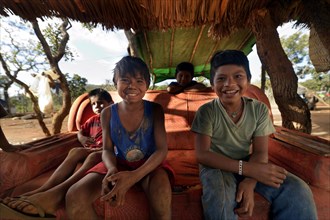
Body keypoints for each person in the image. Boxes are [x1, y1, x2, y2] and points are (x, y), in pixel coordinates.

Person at [191, 50, 317, 219]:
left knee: (297, 189)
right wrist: (249, 169)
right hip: (216, 166)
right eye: (221, 78)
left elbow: (259, 152)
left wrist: (250, 181)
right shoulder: (207, 111)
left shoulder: (258, 110)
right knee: (220, 198)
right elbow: (203, 155)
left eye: (238, 76)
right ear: (213, 84)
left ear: (248, 80)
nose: (229, 83)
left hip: (248, 163)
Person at [65, 56, 173, 220]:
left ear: (147, 85)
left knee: (162, 196)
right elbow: (107, 149)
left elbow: (161, 150)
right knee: (74, 196)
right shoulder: (107, 113)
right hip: (119, 163)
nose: (132, 86)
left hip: (150, 166)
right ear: (115, 83)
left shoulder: (155, 110)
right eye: (125, 80)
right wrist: (111, 169)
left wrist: (134, 177)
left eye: (139, 80)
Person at [1, 88, 113, 217]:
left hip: (104, 151)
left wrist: (102, 149)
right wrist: (82, 138)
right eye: (93, 104)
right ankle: (42, 190)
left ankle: (52, 196)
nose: (97, 106)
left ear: (111, 103)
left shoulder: (116, 118)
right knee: (75, 151)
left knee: (93, 156)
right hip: (91, 148)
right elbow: (80, 131)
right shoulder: (93, 120)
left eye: (101, 103)